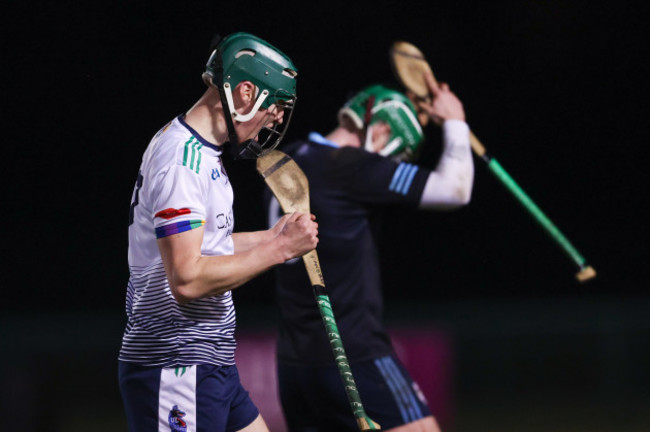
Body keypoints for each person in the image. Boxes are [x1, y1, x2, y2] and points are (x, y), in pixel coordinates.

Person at [118, 32, 319, 432]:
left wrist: (271, 236)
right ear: (246, 92)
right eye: (275, 107)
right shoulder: (182, 162)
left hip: (209, 364)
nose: (276, 118)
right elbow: (188, 278)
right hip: (175, 366)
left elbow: (203, 248)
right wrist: (278, 251)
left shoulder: (200, 152)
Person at [267, 76, 473, 432]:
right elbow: (455, 190)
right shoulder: (350, 165)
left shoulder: (290, 157)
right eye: (396, 153)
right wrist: (455, 121)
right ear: (379, 130)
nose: (391, 163)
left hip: (294, 363)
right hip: (354, 354)